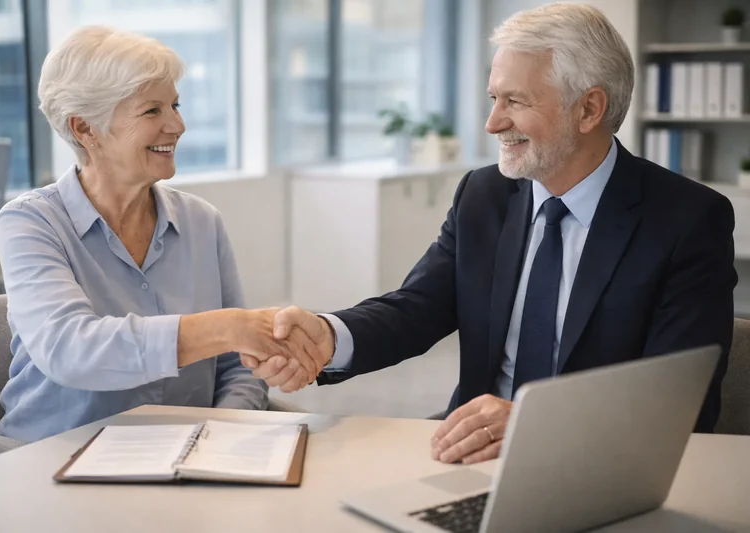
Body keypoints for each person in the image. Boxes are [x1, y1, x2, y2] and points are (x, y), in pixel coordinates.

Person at [242, 3, 737, 465]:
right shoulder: (485, 194)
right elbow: (417, 308)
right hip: (473, 453)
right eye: (494, 98)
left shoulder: (687, 220)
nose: (493, 122)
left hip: (597, 464)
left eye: (515, 101)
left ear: (589, 110)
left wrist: (534, 425)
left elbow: (676, 404)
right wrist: (328, 337)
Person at [0, 26, 318, 442]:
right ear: (85, 129)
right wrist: (228, 327)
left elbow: (238, 367)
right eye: (152, 111)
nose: (177, 125)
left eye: (176, 106)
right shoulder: (30, 223)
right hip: (53, 464)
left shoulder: (202, 221)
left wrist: (219, 436)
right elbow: (70, 350)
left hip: (186, 461)